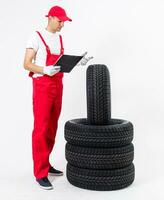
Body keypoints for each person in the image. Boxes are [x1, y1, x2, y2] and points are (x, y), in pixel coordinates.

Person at [23, 5, 93, 190]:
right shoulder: (36, 36)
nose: (63, 24)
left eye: (64, 21)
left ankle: (46, 162)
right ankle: (40, 172)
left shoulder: (59, 38)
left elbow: (60, 64)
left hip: (57, 86)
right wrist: (44, 70)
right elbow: (26, 64)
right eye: (60, 20)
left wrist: (78, 62)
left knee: (52, 127)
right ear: (51, 17)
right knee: (41, 128)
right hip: (42, 87)